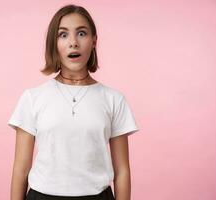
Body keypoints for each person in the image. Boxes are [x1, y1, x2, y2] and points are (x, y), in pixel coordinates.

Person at [8, 4, 139, 200]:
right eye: (63, 35)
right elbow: (20, 170)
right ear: (54, 43)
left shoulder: (113, 99)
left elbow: (122, 171)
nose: (73, 43)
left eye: (82, 33)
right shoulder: (32, 98)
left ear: (94, 41)